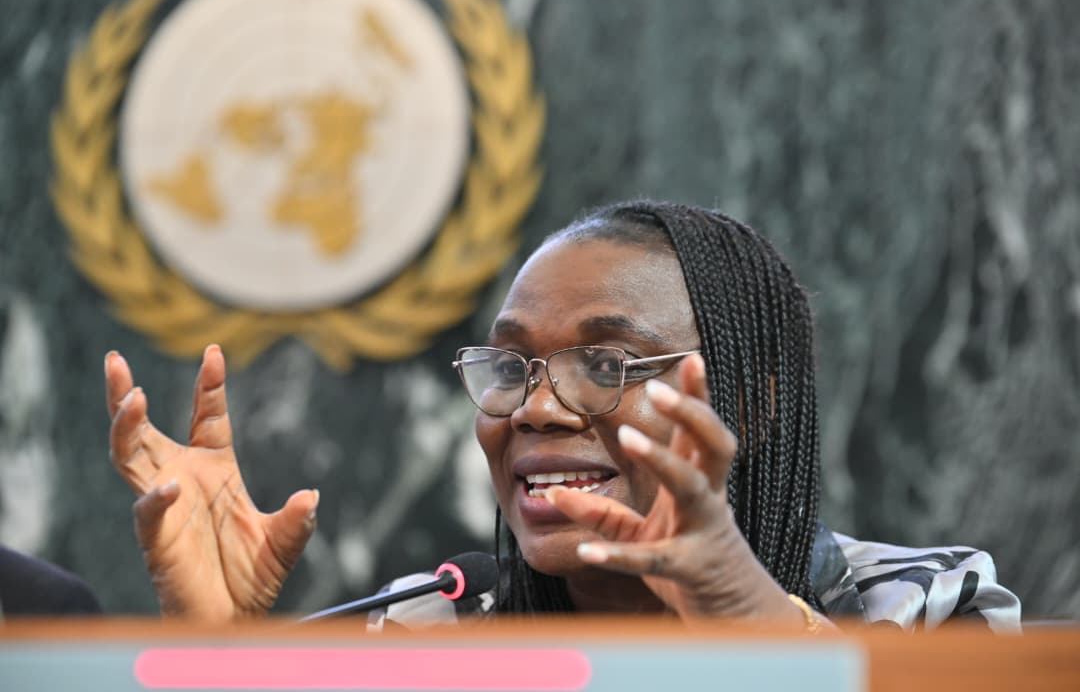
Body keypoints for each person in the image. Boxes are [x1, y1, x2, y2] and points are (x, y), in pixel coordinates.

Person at [103, 200, 1020, 631]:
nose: (536, 409)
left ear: (750, 399)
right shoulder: (431, 631)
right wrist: (216, 658)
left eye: (607, 365)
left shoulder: (923, 605)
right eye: (512, 367)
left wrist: (741, 616)